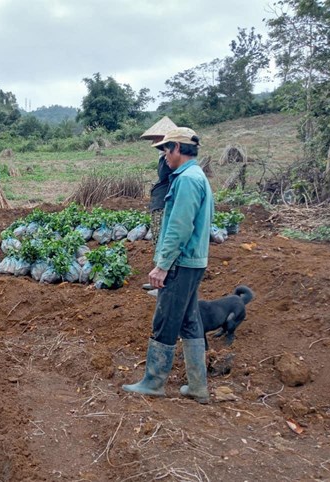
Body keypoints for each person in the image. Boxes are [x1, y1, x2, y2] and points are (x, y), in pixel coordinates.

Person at [122, 128, 214, 404]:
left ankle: (154, 381)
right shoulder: (198, 176)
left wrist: (162, 265)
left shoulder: (186, 180)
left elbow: (179, 226)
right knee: (188, 320)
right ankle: (197, 385)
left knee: (165, 320)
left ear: (176, 148)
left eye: (165, 150)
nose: (164, 155)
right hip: (195, 261)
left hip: (181, 262)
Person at [140, 116, 178, 294]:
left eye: (159, 140)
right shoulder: (164, 159)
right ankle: (157, 280)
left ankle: (162, 283)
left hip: (164, 204)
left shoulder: (172, 162)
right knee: (158, 241)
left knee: (163, 242)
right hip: (159, 203)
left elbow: (166, 177)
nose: (156, 143)